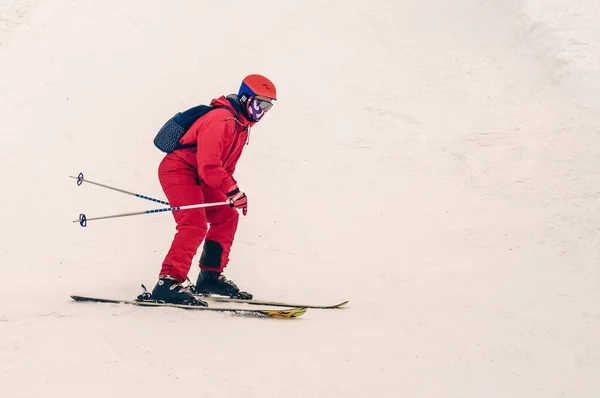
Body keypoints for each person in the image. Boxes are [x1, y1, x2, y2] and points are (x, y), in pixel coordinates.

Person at [149, 74, 277, 305]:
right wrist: (232, 190)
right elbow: (209, 165)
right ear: (247, 98)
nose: (265, 110)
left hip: (201, 175)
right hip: (180, 170)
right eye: (262, 103)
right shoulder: (223, 120)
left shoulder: (241, 126)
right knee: (193, 223)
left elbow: (224, 167)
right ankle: (168, 282)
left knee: (227, 216)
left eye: (269, 105)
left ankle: (210, 276)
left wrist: (231, 193)